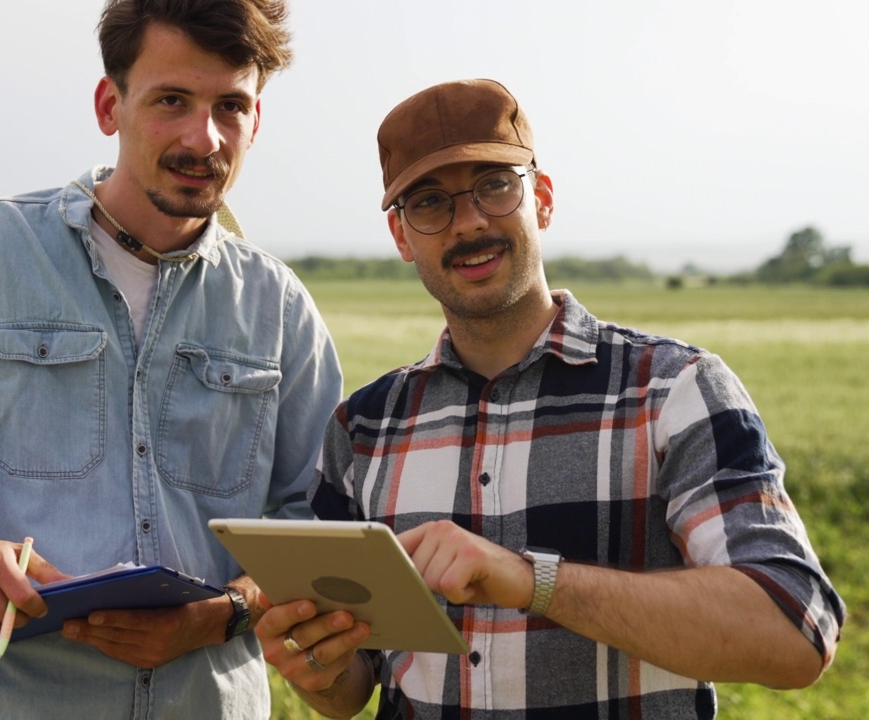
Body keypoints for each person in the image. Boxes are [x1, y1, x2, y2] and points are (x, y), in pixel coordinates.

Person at [256, 78, 845, 719]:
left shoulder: (672, 390)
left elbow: (795, 632)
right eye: (429, 203)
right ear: (403, 238)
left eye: (495, 185)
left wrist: (530, 580)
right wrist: (317, 670)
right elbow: (353, 688)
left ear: (540, 198)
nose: (470, 221)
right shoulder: (367, 426)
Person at [0, 1, 342, 717]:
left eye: (232, 106)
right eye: (172, 100)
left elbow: (313, 523)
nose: (206, 137)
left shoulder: (280, 307)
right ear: (111, 105)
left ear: (257, 121)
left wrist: (222, 613)